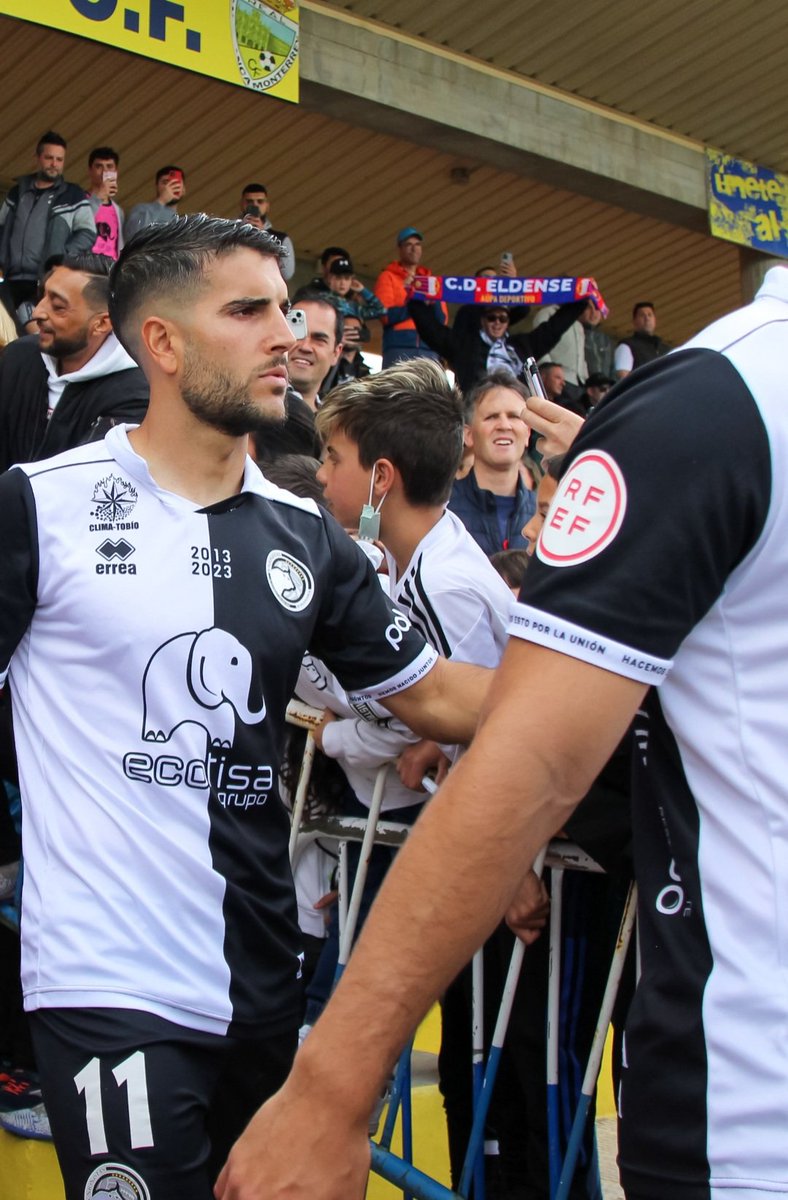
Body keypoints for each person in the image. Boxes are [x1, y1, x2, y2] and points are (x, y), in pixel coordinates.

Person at [215, 265, 788, 1200]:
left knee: (525, 1085)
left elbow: (531, 751)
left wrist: (326, 1092)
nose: (323, 478)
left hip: (746, 1118)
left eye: (336, 459)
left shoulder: (719, 402)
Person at [0, 214, 486, 1199]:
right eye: (247, 309)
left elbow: (438, 694)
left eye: (289, 309)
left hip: (263, 991)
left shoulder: (303, 534)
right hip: (109, 988)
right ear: (163, 344)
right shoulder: (39, 503)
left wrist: (620, 670)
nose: (291, 334)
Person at [0, 252, 148, 472]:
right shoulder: (18, 357)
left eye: (58, 306)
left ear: (102, 323)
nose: (38, 312)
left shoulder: (135, 394)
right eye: (42, 296)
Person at [0, 131, 96, 322]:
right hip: (9, 279)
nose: (54, 164)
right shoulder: (17, 192)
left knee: (35, 334)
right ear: (37, 158)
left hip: (44, 281)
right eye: (49, 158)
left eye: (59, 159)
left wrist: (62, 255)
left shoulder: (72, 194)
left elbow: (88, 233)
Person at [407, 296, 588, 396]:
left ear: (508, 321)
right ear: (482, 320)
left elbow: (553, 329)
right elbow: (431, 330)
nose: (497, 322)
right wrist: (415, 299)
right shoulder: (464, 345)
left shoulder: (521, 345)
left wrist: (581, 300)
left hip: (515, 413)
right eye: (491, 317)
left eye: (503, 318)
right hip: (476, 414)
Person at [448, 370, 536, 556]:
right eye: (492, 417)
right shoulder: (441, 508)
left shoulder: (546, 513)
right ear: (468, 435)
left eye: (514, 416)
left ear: (528, 433)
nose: (504, 425)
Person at [374, 227, 447, 367]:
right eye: (408, 245)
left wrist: (432, 303)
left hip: (429, 348)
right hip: (398, 346)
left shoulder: (430, 281)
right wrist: (416, 304)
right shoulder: (387, 277)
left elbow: (441, 319)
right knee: (397, 389)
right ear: (399, 249)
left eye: (417, 245)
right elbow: (384, 315)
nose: (414, 249)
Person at [288, 291, 344, 409]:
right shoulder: (243, 409)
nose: (305, 347)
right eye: (297, 334)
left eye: (319, 340)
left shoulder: (339, 425)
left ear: (336, 353)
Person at [239, 182, 295, 280]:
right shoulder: (227, 232)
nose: (255, 205)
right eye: (249, 202)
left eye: (260, 201)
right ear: (241, 204)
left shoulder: (281, 239)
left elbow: (287, 273)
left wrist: (264, 238)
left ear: (267, 206)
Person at [123, 164, 186, 242]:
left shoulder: (182, 223)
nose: (169, 187)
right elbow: (133, 236)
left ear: (183, 190)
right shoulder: (141, 209)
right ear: (157, 186)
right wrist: (161, 201)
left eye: (175, 183)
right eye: (165, 182)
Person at [86, 146, 124, 261]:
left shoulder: (118, 210)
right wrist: (99, 196)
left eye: (109, 167)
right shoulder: (80, 201)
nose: (104, 172)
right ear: (90, 170)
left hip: (109, 273)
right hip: (86, 269)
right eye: (99, 166)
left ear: (116, 172)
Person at [614, 300, 670, 378]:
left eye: (650, 315)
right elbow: (623, 378)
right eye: (642, 315)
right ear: (634, 321)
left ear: (655, 320)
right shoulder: (627, 346)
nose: (647, 318)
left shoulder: (665, 349)